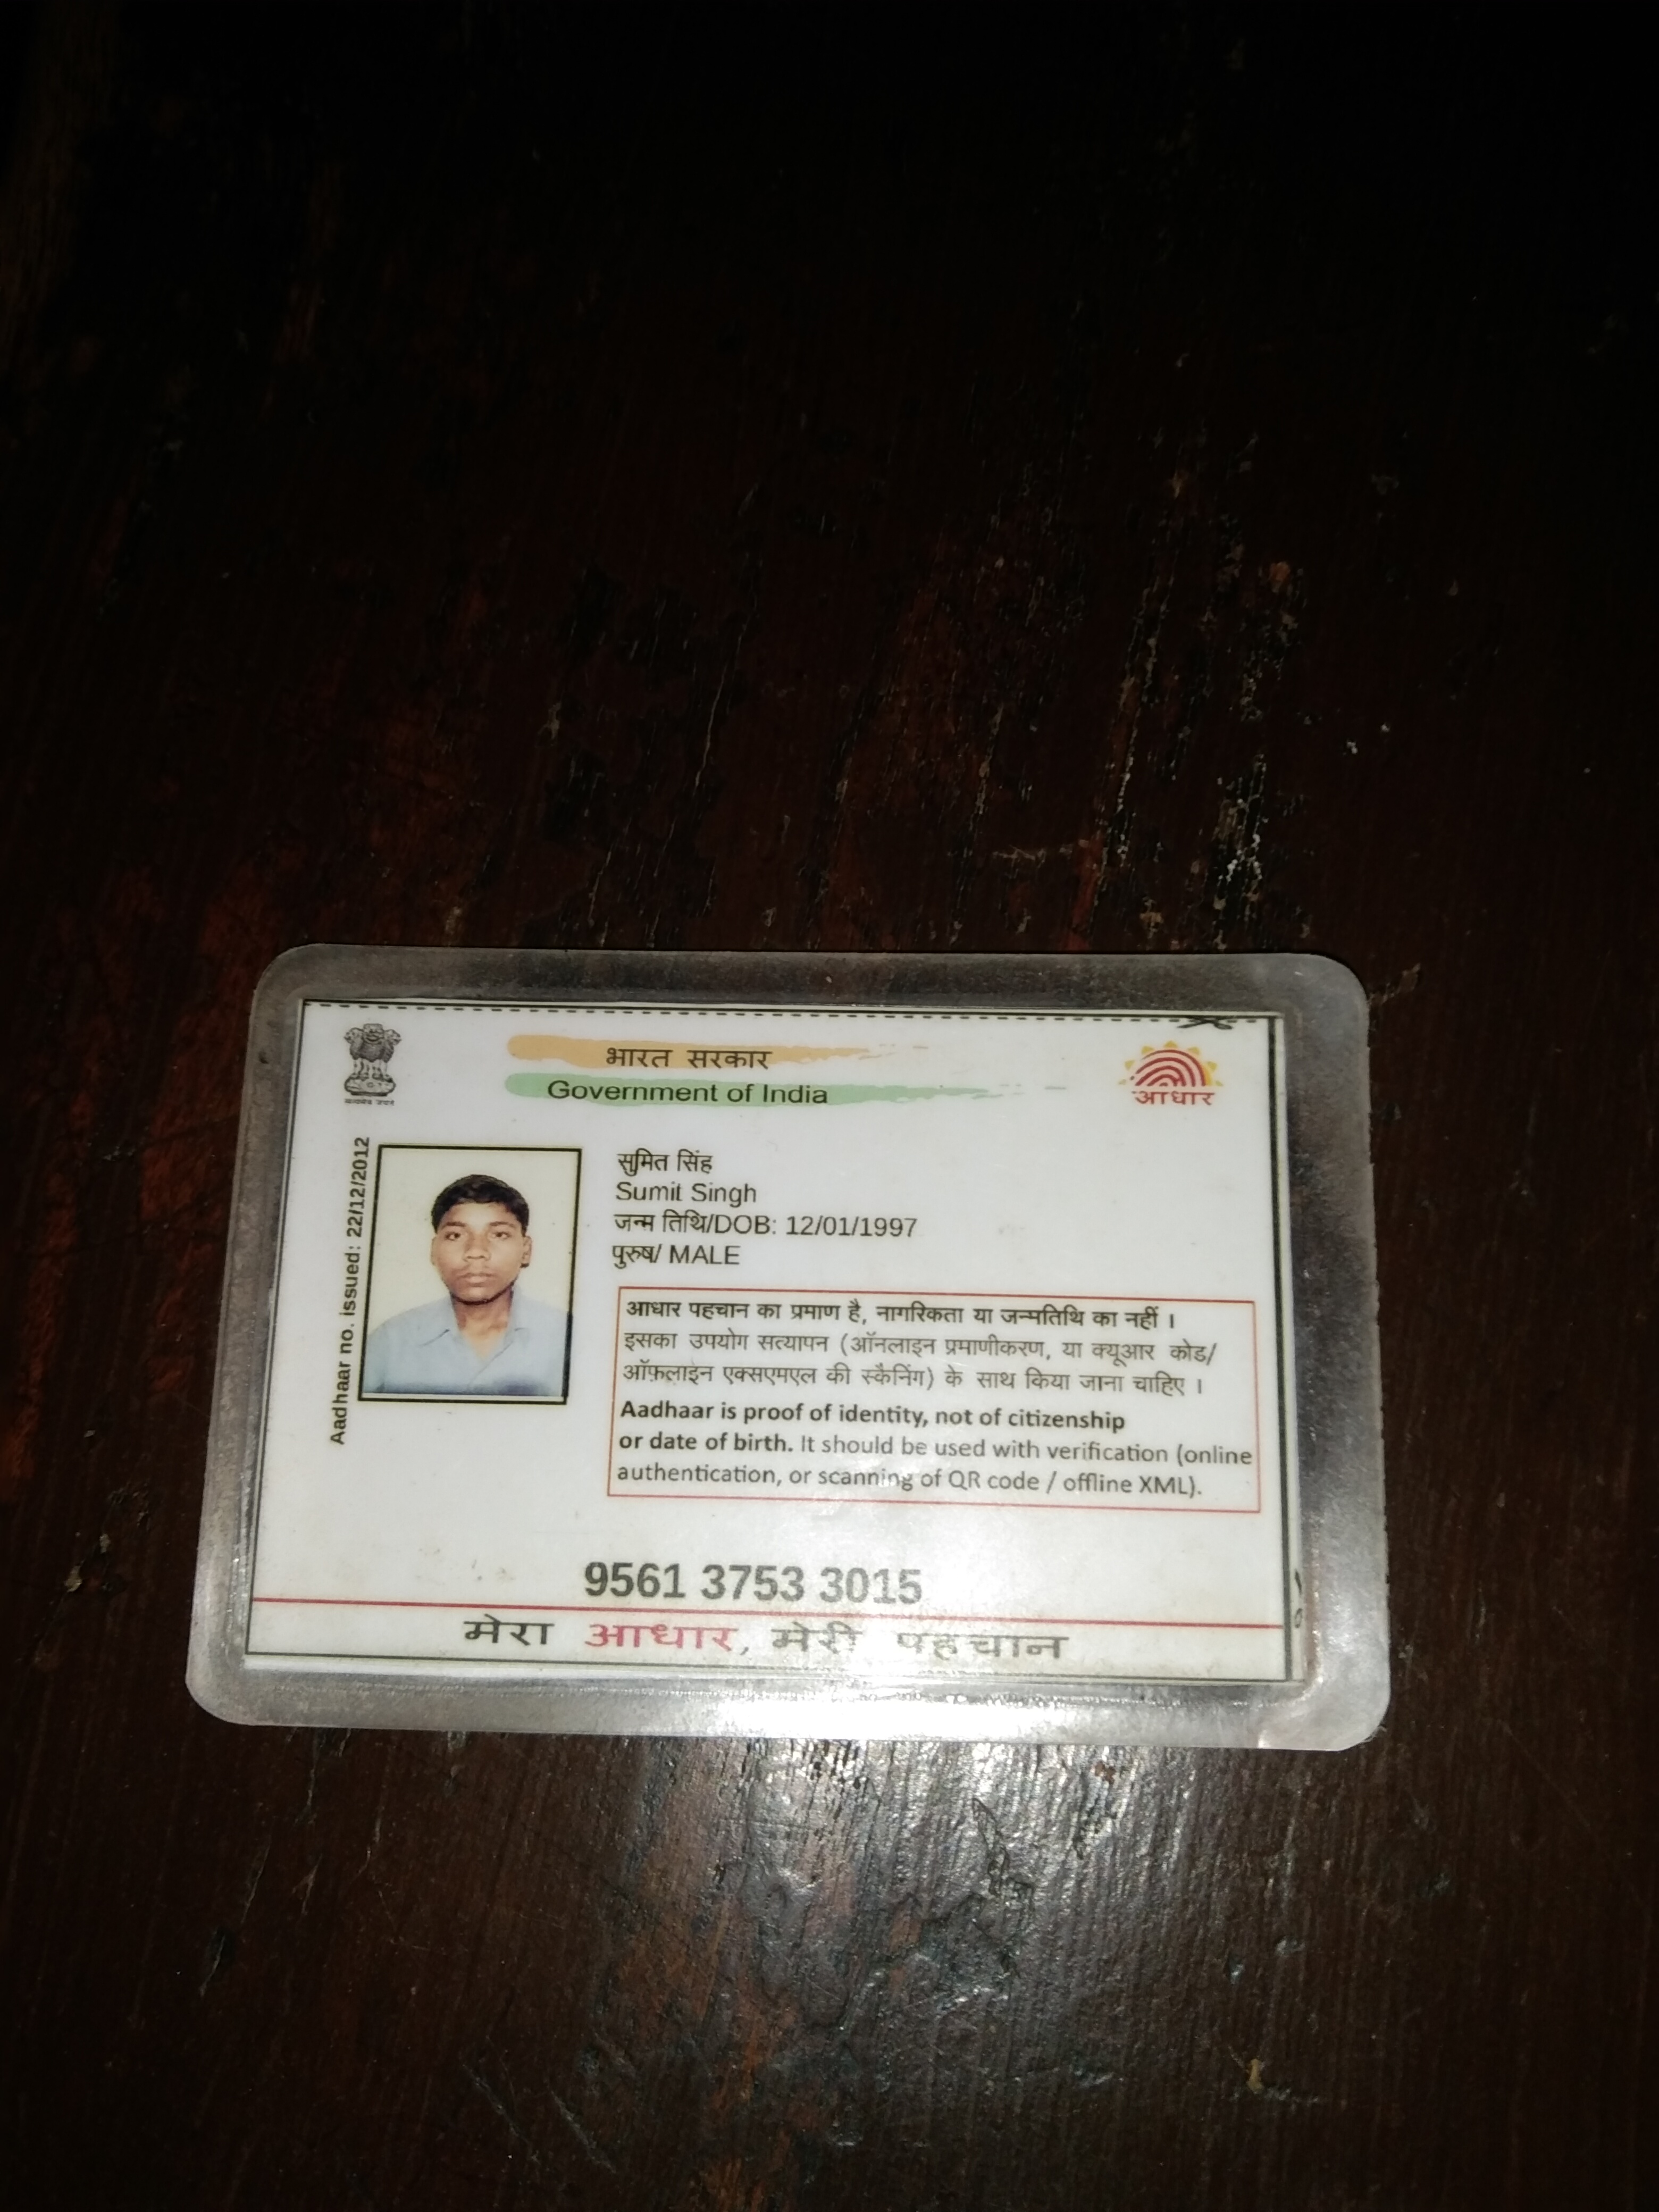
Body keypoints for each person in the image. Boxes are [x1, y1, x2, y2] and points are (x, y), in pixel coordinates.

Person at [362, 1174, 568, 1397]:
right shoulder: (390, 1342)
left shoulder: (567, 1338)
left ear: (526, 1251)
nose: (475, 1251)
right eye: (455, 1235)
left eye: (499, 1234)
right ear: (434, 1251)